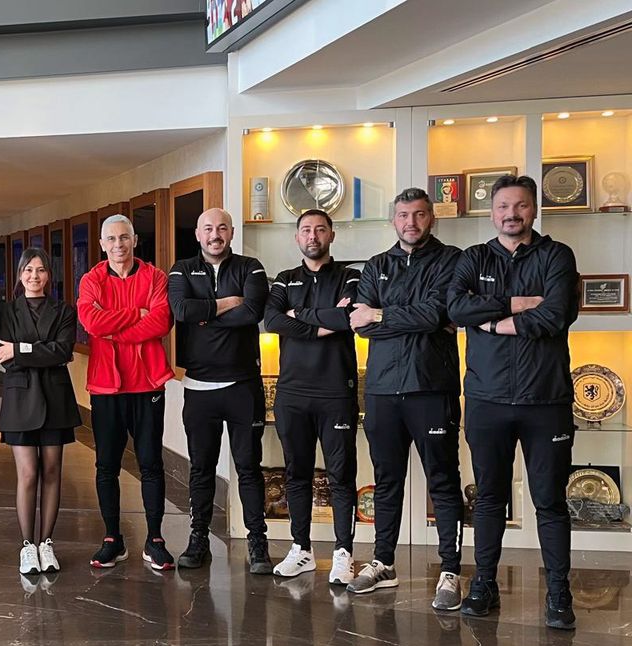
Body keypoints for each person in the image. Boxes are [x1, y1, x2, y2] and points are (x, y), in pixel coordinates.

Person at [447, 175, 579, 629]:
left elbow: (555, 314)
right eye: (503, 206)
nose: (511, 214)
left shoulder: (557, 256)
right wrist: (517, 303)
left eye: (520, 205)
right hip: (487, 399)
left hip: (547, 400)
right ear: (492, 213)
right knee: (488, 498)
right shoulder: (473, 258)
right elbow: (456, 309)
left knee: (550, 500)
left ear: (533, 210)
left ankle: (559, 592)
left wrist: (492, 322)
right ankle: (484, 584)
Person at [348, 188, 465, 611]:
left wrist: (382, 314)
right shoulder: (376, 265)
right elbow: (359, 323)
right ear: (393, 220)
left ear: (431, 217)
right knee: (386, 479)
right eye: (402, 215)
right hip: (381, 389)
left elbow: (438, 314)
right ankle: (383, 563)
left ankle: (450, 570)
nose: (410, 223)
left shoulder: (452, 260)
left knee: (443, 480)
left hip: (430, 387)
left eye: (418, 214)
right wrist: (408, 318)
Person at [167, 208, 271, 573]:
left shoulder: (250, 267)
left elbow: (253, 312)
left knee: (248, 467)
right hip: (199, 388)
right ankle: (198, 539)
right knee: (201, 468)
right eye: (208, 228)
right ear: (198, 234)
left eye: (222, 228)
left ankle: (258, 543)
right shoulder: (181, 269)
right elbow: (181, 310)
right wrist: (227, 303)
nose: (215, 234)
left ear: (231, 232)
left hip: (243, 386)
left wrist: (205, 315)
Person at [262, 210, 360, 583]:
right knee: (296, 473)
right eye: (306, 230)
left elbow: (349, 318)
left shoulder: (351, 277)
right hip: (292, 392)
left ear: (331, 235)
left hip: (335, 391)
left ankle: (343, 553)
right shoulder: (284, 279)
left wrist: (299, 315)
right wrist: (321, 322)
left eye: (320, 229)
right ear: (297, 237)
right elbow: (273, 321)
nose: (313, 236)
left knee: (341, 474)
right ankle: (301, 549)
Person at [77, 214, 175, 570]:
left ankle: (155, 539)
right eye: (111, 238)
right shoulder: (91, 280)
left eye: (124, 237)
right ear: (102, 244)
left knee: (150, 463)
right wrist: (137, 313)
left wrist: (113, 329)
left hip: (147, 383)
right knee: (107, 465)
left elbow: (161, 322)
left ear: (134, 240)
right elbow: (91, 323)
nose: (118, 244)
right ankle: (112, 539)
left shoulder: (155, 277)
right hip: (107, 385)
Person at [0, 248, 81, 575]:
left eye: (41, 270)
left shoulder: (64, 310)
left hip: (55, 398)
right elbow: (4, 356)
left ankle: (46, 543)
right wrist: (37, 351)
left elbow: (62, 351)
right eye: (28, 270)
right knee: (29, 473)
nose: (34, 276)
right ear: (20, 275)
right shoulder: (6, 311)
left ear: (49, 275)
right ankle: (27, 546)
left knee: (53, 471)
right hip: (20, 399)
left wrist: (21, 349)